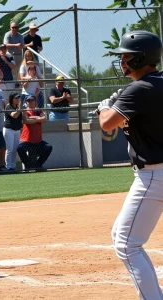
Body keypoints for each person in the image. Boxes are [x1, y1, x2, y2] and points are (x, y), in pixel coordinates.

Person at [97, 30, 163, 300]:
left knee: (126, 244)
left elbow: (107, 124)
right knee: (121, 235)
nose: (122, 61)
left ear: (142, 58)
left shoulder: (140, 87)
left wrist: (105, 106)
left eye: (127, 56)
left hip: (154, 175)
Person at [17, 95, 52, 171]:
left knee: (48, 147)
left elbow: (44, 119)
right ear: (26, 102)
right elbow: (26, 120)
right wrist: (38, 118)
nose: (30, 102)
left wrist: (34, 118)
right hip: (27, 139)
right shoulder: (25, 111)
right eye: (28, 101)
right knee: (20, 148)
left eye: (32, 100)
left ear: (35, 102)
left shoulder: (38, 111)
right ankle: (28, 165)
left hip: (38, 140)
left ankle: (38, 165)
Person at [3, 92, 23, 171]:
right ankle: (8, 166)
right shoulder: (8, 106)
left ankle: (13, 166)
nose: (17, 99)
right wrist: (20, 109)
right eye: (16, 98)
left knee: (15, 149)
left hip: (16, 130)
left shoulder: (18, 107)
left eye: (18, 98)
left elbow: (20, 118)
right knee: (10, 149)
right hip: (9, 130)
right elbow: (14, 115)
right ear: (12, 99)